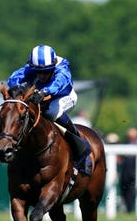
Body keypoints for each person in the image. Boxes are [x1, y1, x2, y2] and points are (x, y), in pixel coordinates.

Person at [7, 44, 91, 175]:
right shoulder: (32, 66)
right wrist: (18, 87)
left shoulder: (62, 68)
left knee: (51, 112)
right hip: (42, 96)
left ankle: (81, 148)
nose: (42, 75)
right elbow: (13, 79)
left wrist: (44, 92)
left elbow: (58, 83)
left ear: (53, 65)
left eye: (47, 71)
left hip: (64, 97)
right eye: (38, 71)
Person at [119, 127, 137, 213]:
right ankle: (127, 209)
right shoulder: (124, 145)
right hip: (125, 173)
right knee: (124, 191)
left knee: (132, 191)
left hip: (135, 172)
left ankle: (130, 209)